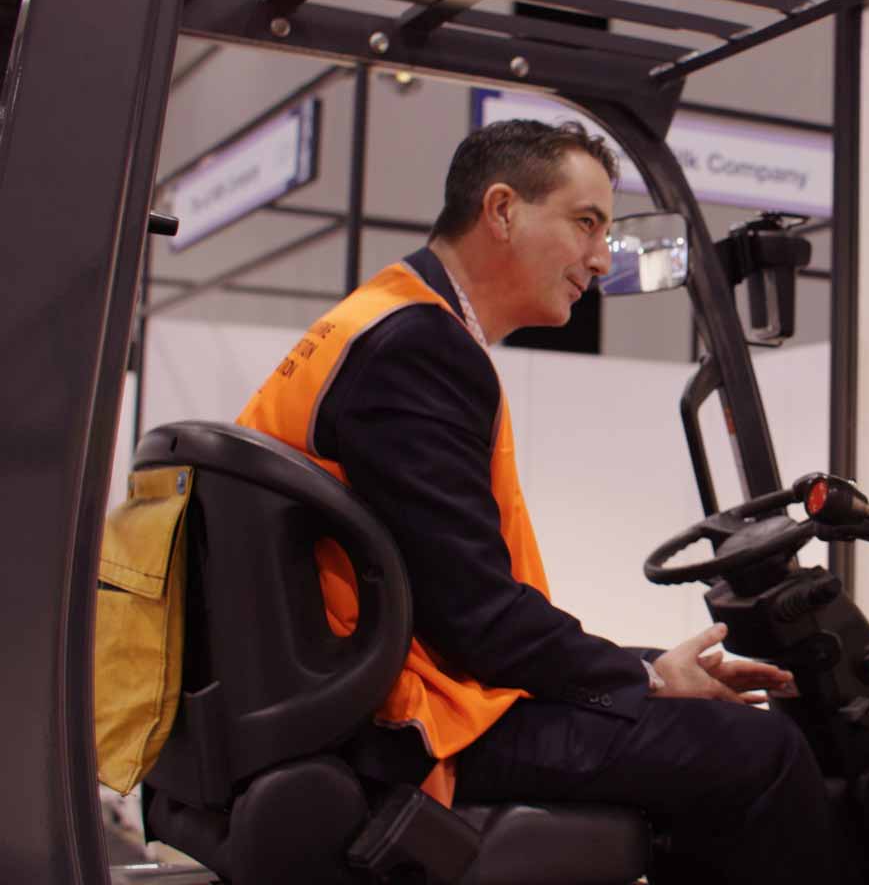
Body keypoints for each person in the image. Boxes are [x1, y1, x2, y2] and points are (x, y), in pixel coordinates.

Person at [236, 118, 834, 884]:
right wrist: (645, 678)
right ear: (502, 210)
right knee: (767, 754)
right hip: (410, 723)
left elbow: (460, 605)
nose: (599, 257)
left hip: (362, 690)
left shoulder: (382, 322)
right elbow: (478, 623)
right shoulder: (420, 349)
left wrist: (643, 667)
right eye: (586, 223)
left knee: (691, 729)